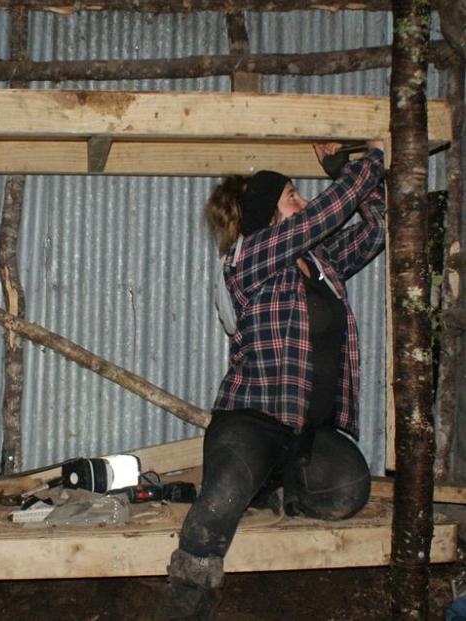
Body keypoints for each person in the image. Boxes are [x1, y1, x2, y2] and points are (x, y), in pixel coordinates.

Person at [154, 142, 386, 620]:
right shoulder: (252, 256)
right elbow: (324, 215)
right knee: (217, 504)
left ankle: (276, 488)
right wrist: (368, 164)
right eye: (292, 196)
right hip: (252, 420)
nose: (302, 203)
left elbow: (377, 230)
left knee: (349, 490)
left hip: (306, 433)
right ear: (267, 214)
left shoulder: (320, 263)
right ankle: (187, 604)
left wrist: (346, 169)